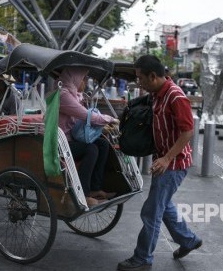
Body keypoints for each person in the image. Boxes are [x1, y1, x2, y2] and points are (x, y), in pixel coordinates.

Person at [117, 55, 202, 271]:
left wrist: (166, 158)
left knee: (151, 212)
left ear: (153, 76)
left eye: (140, 78)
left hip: (173, 164)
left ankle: (143, 259)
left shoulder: (175, 97)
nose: (139, 83)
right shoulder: (157, 94)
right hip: (162, 160)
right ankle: (189, 240)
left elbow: (188, 132)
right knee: (162, 207)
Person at [58, 66, 119, 207]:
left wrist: (102, 128)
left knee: (103, 145)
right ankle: (84, 194)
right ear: (75, 78)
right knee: (91, 149)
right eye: (83, 78)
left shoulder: (75, 95)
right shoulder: (63, 95)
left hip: (72, 139)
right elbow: (87, 116)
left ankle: (95, 188)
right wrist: (110, 119)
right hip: (60, 142)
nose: (85, 82)